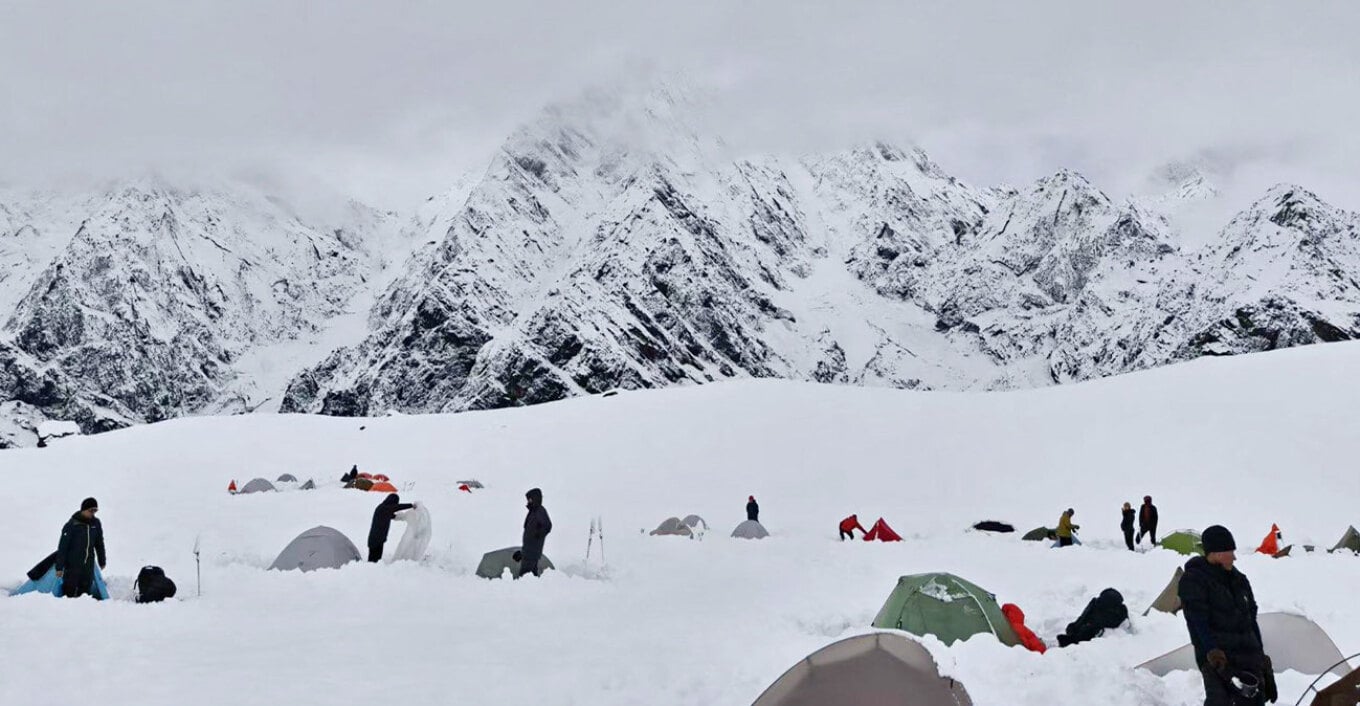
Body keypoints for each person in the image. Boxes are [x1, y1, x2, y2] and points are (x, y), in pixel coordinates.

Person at [1178, 525, 1277, 705]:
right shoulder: (1194, 580)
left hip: (1249, 656)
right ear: (1216, 553)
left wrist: (1261, 656)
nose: (1234, 556)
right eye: (1230, 551)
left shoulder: (1240, 581)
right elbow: (1198, 621)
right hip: (1219, 660)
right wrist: (1212, 652)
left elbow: (1251, 621)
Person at [55, 497, 106, 599]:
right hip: (72, 566)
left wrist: (102, 560)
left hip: (88, 565)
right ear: (83, 510)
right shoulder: (72, 525)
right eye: (91, 510)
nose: (93, 513)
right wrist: (59, 567)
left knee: (85, 594)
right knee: (69, 592)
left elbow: (99, 543)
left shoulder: (95, 524)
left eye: (95, 511)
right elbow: (63, 547)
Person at [367, 493, 414, 563]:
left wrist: (402, 517)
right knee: (373, 560)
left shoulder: (384, 509)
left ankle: (373, 571)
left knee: (377, 559)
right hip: (375, 539)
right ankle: (368, 571)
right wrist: (411, 505)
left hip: (379, 539)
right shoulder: (383, 508)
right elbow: (396, 507)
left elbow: (392, 515)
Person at [520, 488, 552, 577]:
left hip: (532, 551)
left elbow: (548, 526)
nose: (528, 501)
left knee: (524, 576)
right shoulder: (533, 511)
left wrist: (538, 534)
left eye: (530, 499)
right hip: (528, 550)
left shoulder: (540, 511)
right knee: (531, 576)